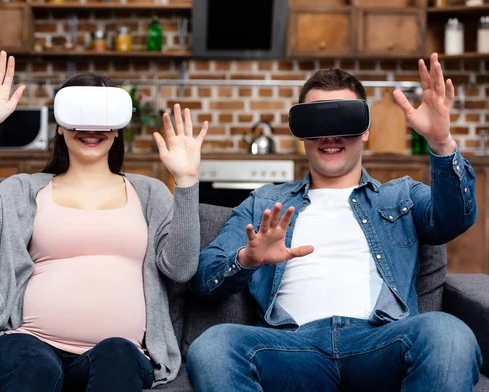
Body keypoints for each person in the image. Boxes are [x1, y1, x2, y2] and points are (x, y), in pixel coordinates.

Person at [186, 53, 481, 392]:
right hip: (291, 347)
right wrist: (246, 259)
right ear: (301, 133)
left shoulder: (400, 196)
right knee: (213, 345)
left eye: (344, 121)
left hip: (380, 341)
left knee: (448, 333)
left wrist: (441, 143)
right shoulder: (265, 203)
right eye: (318, 125)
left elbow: (455, 219)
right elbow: (204, 278)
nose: (330, 137)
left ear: (365, 130)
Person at [0, 51, 208, 391]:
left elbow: (180, 269)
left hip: (120, 350)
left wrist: (187, 181)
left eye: (102, 118)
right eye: (78, 116)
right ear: (60, 124)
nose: (90, 129)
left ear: (118, 128)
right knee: (34, 371)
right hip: (28, 342)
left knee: (117, 355)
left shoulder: (150, 193)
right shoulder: (25, 190)